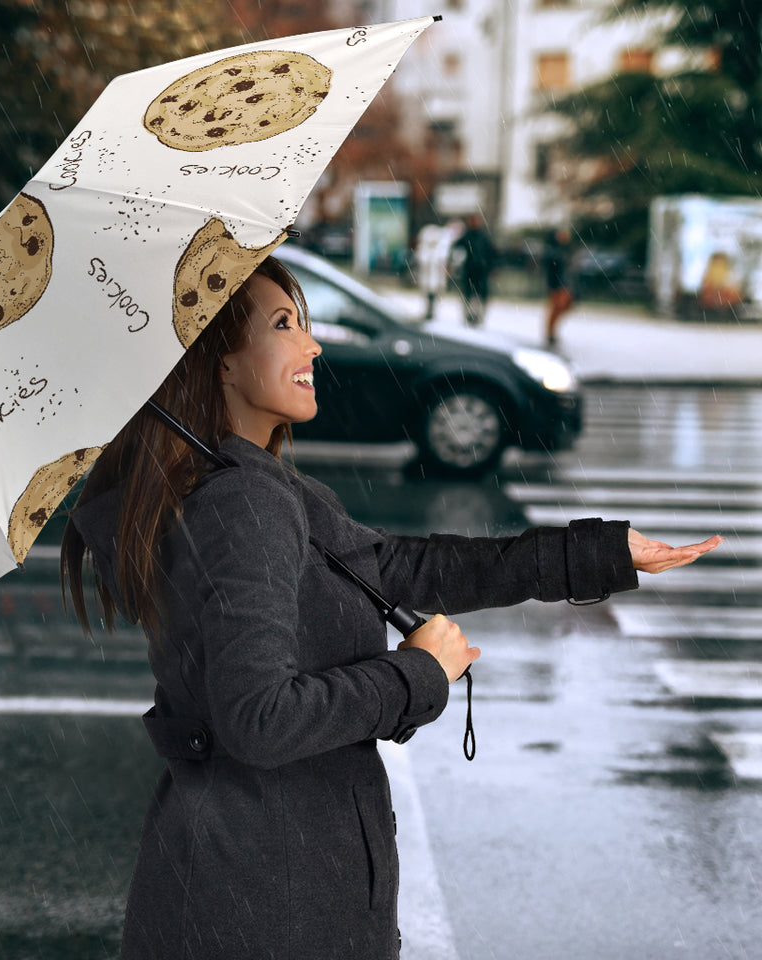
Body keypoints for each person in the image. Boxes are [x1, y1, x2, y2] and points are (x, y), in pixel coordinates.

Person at [60, 256, 721, 960]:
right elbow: (258, 719)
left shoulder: (251, 488)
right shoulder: (242, 504)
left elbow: (405, 567)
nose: (312, 345)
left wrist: (598, 554)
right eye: (285, 325)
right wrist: (416, 673)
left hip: (256, 883)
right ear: (219, 362)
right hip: (268, 902)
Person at [450, 213, 497, 327]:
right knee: (469, 294)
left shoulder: (483, 237)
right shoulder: (467, 236)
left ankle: (477, 316)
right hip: (470, 270)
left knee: (479, 295)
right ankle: (469, 315)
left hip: (481, 271)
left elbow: (492, 253)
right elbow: (456, 249)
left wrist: (492, 267)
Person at [543, 226, 574, 347]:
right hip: (556, 284)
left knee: (564, 306)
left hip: (565, 283)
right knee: (556, 308)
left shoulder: (565, 249)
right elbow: (552, 265)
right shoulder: (552, 250)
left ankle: (552, 331)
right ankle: (550, 333)